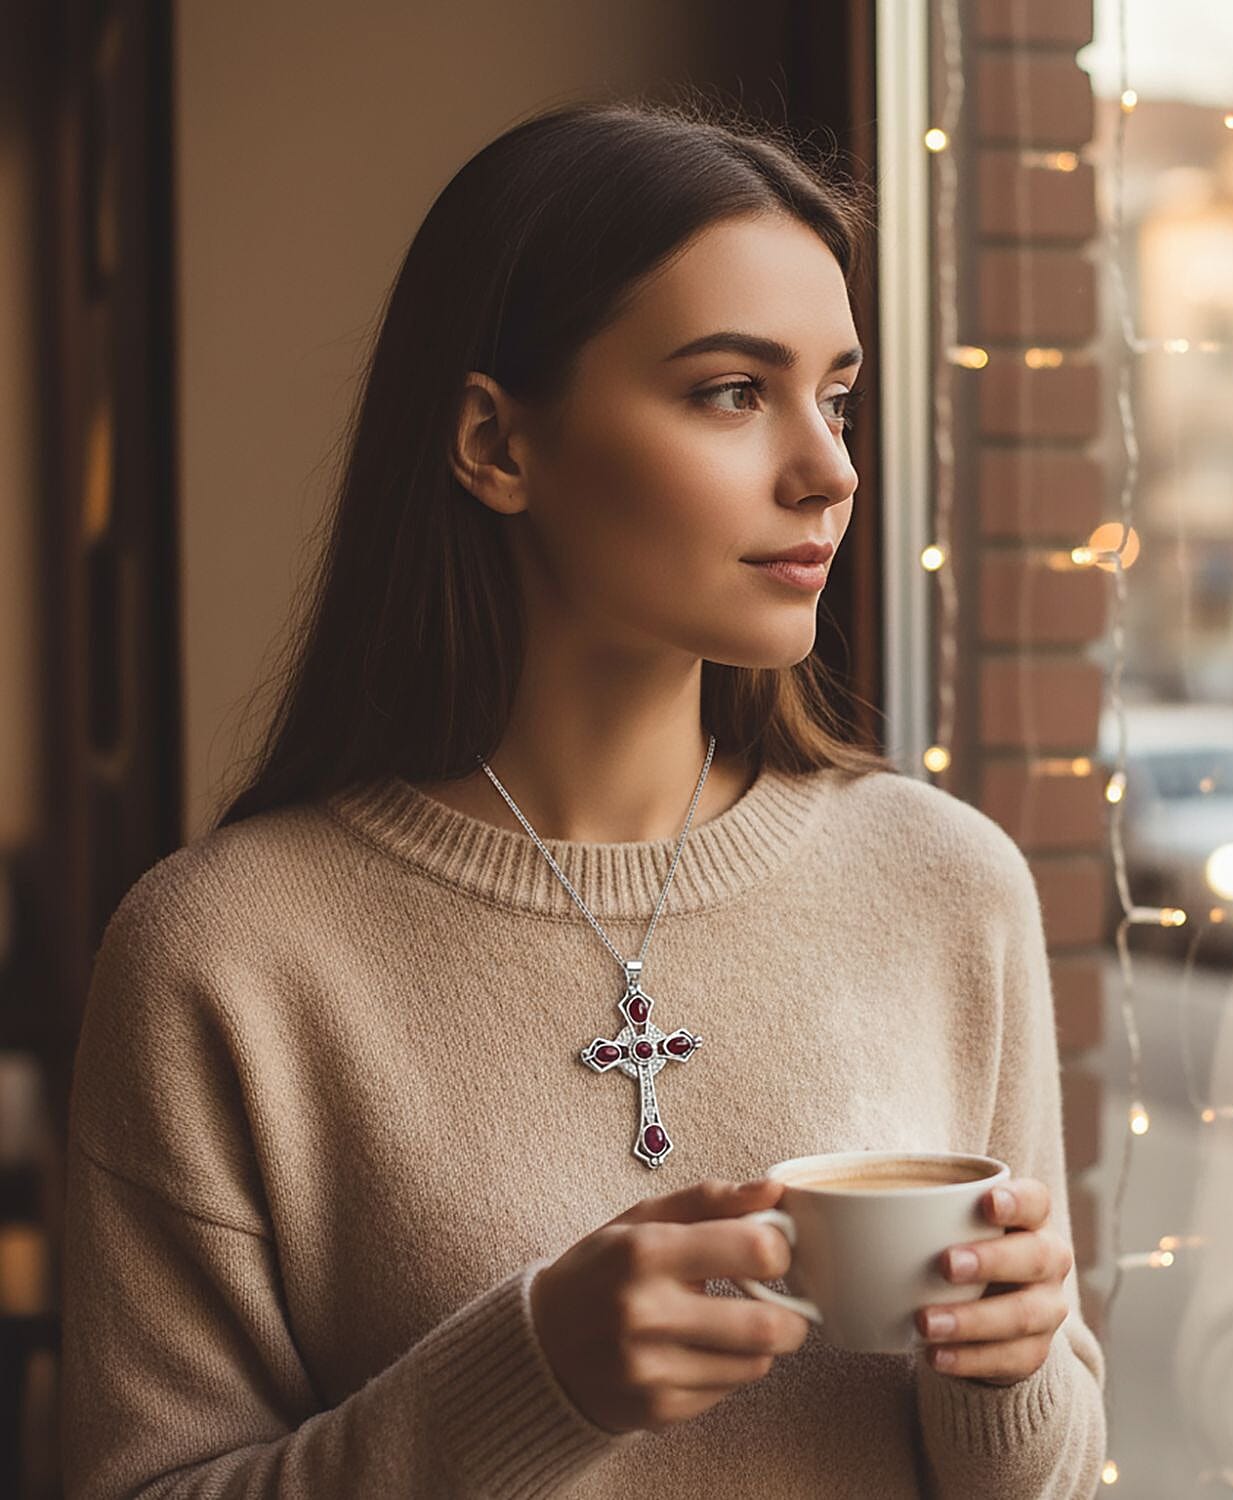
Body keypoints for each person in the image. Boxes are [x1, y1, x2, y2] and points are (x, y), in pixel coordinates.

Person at [58, 93, 1106, 1498]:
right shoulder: (223, 954)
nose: (830, 471)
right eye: (734, 391)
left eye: (836, 395)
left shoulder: (946, 884)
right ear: (495, 445)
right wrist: (533, 1378)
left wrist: (1017, 1368)